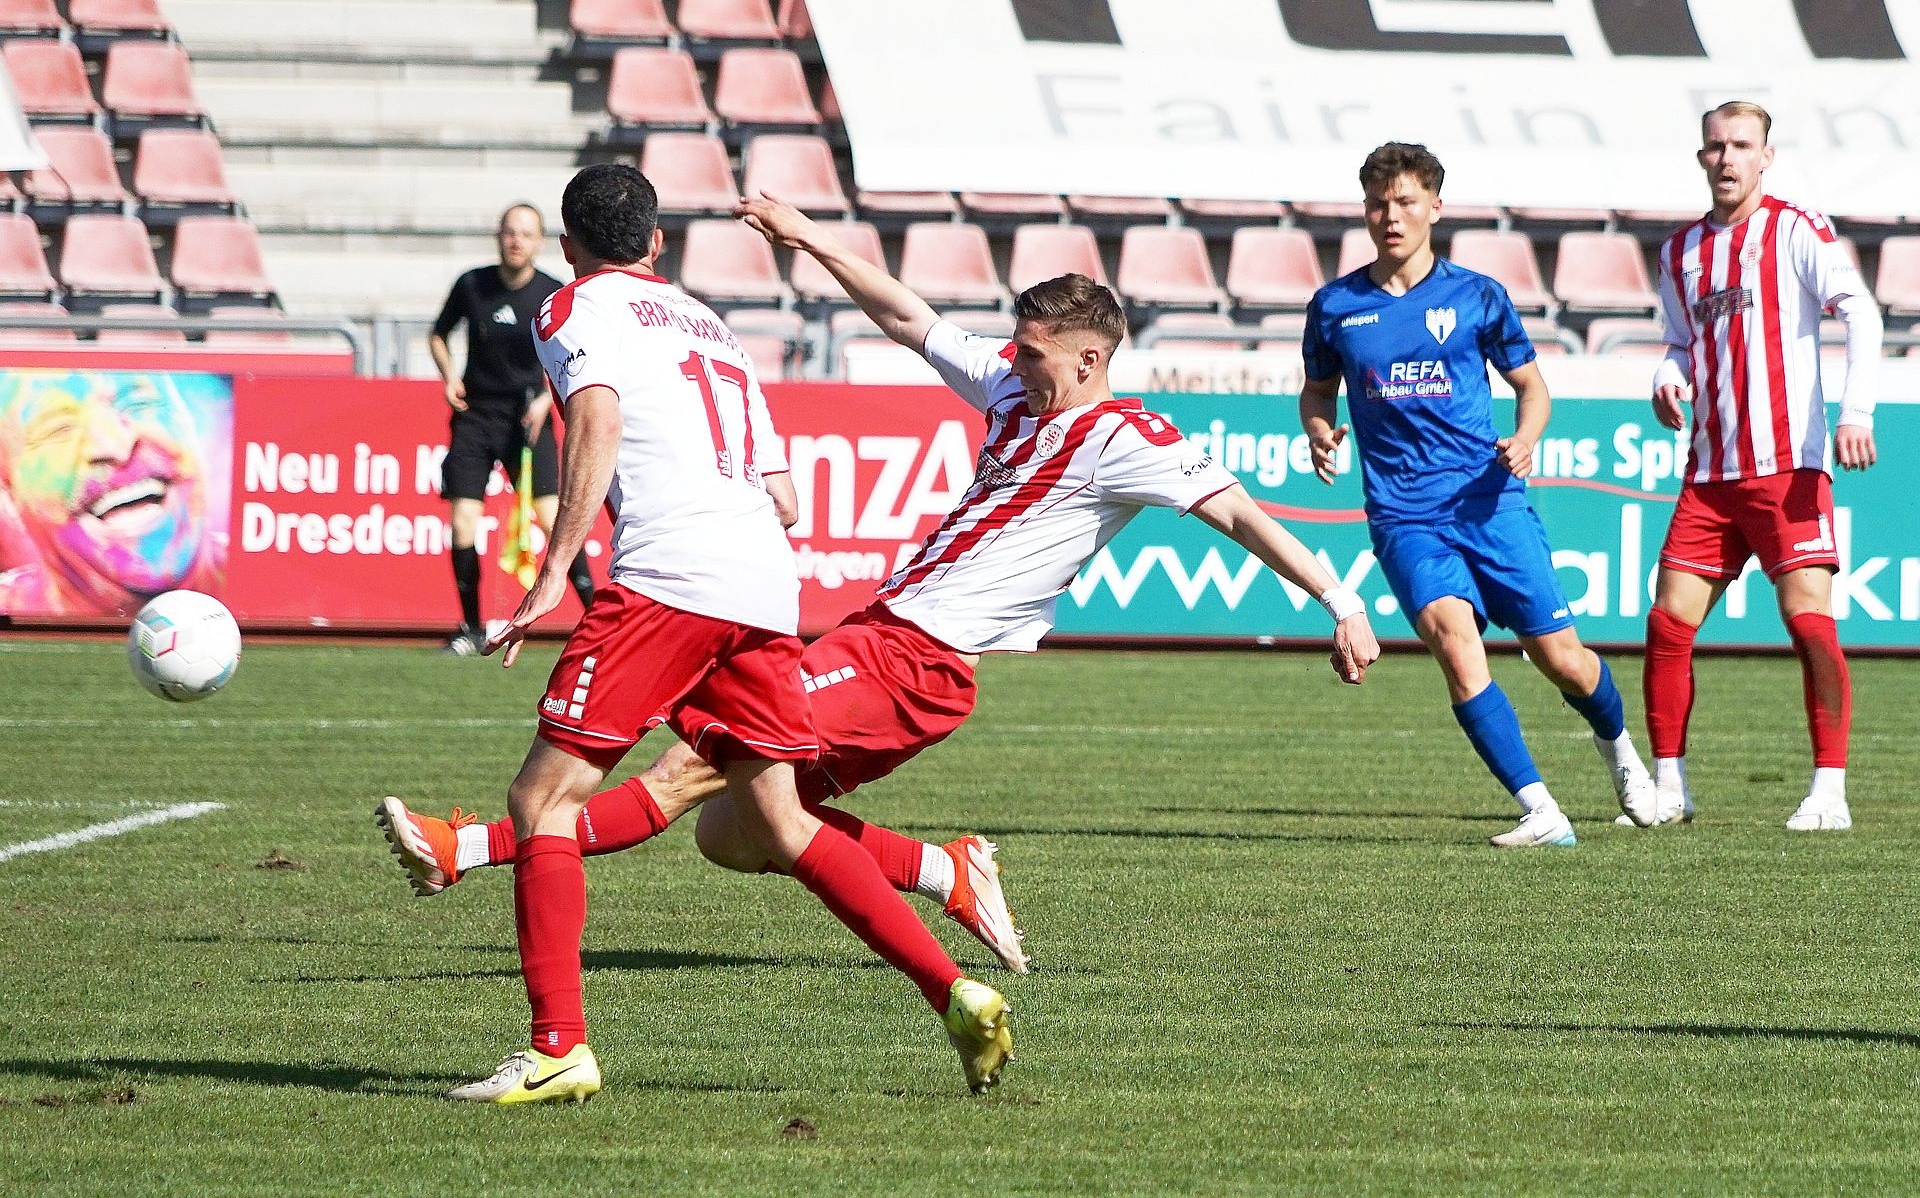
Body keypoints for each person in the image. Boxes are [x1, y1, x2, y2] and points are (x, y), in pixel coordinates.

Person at [378, 192, 1382, 976]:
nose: (1015, 364)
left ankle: (470, 847)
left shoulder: (1129, 437)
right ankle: (943, 867)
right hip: (880, 632)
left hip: (917, 659)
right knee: (735, 834)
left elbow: (1240, 514)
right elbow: (910, 317)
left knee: (688, 770)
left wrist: (1340, 601)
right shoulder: (1013, 387)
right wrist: (812, 238)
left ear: (1089, 357)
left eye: (1035, 355)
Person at [398, 164, 1012, 1104]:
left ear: (568, 249)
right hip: (763, 586)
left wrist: (556, 569)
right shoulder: (709, 324)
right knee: (779, 820)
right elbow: (785, 497)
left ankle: (558, 1047)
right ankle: (955, 991)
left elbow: (595, 420)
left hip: (669, 580)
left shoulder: (572, 307)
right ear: (657, 244)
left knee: (543, 799)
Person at [1299, 142, 1657, 847]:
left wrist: (1526, 438)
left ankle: (1619, 749)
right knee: (1454, 644)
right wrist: (1319, 429)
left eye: (1405, 202)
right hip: (1404, 515)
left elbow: (1533, 388)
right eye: (1377, 204)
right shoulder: (1336, 306)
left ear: (1435, 207)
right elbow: (1317, 390)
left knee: (1563, 660)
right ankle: (1541, 811)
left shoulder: (1478, 296)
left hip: (1489, 504)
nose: (1390, 216)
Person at [1642, 101, 1883, 831]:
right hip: (1710, 474)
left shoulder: (1794, 228)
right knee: (1667, 625)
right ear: (1701, 156)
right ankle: (1670, 789)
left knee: (1808, 623)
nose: (1727, 159)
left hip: (1788, 468)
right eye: (1716, 147)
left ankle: (1829, 793)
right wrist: (1667, 377)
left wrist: (1857, 412)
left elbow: (1861, 312)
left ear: (1766, 157)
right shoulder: (1680, 251)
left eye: (1742, 146)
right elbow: (1679, 342)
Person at [428, 203, 593, 654]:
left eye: (525, 234)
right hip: (476, 415)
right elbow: (439, 334)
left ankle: (598, 622)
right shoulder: (472, 284)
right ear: (498, 236)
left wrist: (546, 398)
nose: (516, 241)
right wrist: (449, 376)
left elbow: (575, 357)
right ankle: (470, 628)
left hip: (527, 419)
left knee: (553, 520)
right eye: (509, 232)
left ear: (539, 242)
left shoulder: (553, 293)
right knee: (463, 521)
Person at [0, 371, 228, 615]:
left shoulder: (257, 576)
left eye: (139, 404)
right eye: (60, 429)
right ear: (9, 489)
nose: (116, 447)